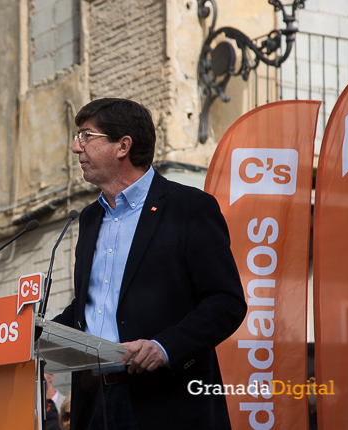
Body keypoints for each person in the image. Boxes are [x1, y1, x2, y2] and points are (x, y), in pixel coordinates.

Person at [52, 98, 247, 429]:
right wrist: (35, 333)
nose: (76, 147)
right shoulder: (88, 218)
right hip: (93, 404)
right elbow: (91, 305)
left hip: (164, 402)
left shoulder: (189, 207)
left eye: (86, 135)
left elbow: (225, 302)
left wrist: (164, 346)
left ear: (123, 146)